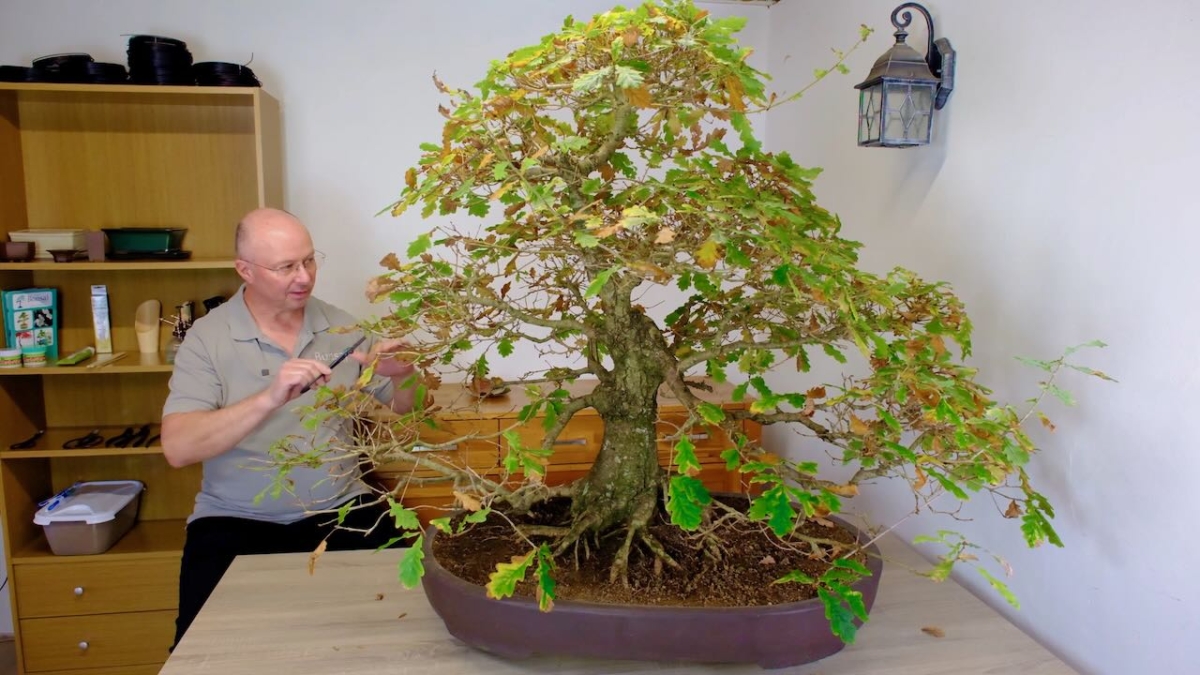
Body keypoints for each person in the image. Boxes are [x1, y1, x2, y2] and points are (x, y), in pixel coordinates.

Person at [161, 207, 418, 648]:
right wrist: (268, 398)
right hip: (235, 519)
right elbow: (178, 448)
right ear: (245, 270)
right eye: (285, 267)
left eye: (309, 260)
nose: (304, 277)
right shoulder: (207, 338)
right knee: (204, 652)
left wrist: (402, 375)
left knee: (407, 629)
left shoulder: (343, 327)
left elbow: (409, 407)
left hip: (342, 510)